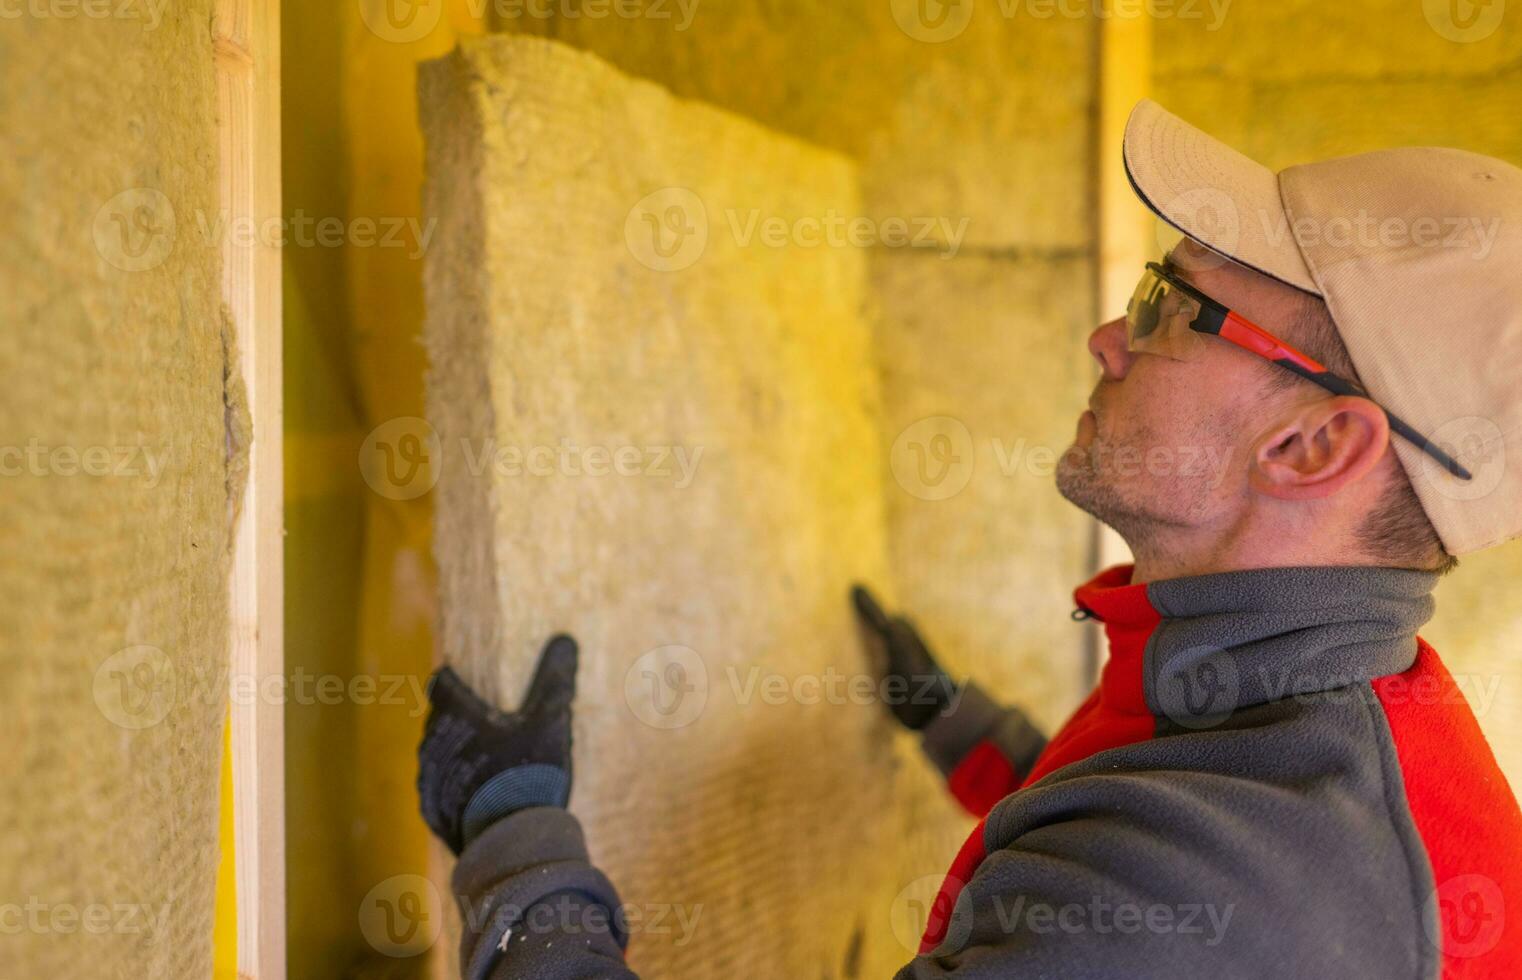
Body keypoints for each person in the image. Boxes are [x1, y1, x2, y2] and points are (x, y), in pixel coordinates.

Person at [416, 99, 1522, 978]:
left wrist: (517, 849)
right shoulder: (1289, 714)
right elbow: (1142, 815)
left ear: (1313, 444)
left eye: (1164, 309)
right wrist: (961, 727)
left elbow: (1144, 891)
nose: (1105, 337)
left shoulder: (1212, 894)